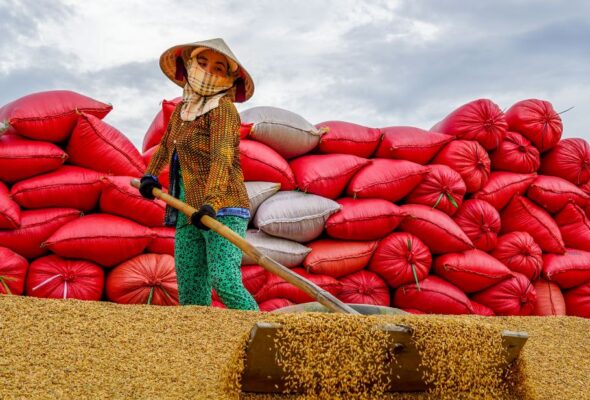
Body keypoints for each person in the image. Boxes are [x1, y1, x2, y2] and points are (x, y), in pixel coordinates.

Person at [139, 38, 258, 311]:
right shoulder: (183, 110)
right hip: (186, 209)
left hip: (223, 208)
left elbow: (223, 155)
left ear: (229, 78)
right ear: (189, 65)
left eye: (218, 68)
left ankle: (264, 334)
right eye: (202, 63)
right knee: (191, 286)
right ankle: (196, 346)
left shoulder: (223, 110)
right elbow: (167, 145)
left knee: (224, 281)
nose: (207, 71)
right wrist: (150, 175)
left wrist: (212, 203)